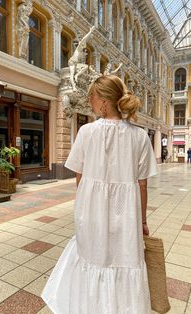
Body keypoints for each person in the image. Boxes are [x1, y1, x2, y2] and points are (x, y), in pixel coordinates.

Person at [41, 75, 157, 314]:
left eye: (91, 97)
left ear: (103, 101)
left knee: (92, 257)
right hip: (126, 215)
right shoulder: (140, 136)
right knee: (124, 259)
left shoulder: (86, 132)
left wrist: (85, 206)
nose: (89, 102)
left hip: (91, 212)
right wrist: (143, 221)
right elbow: (142, 184)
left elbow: (79, 177)